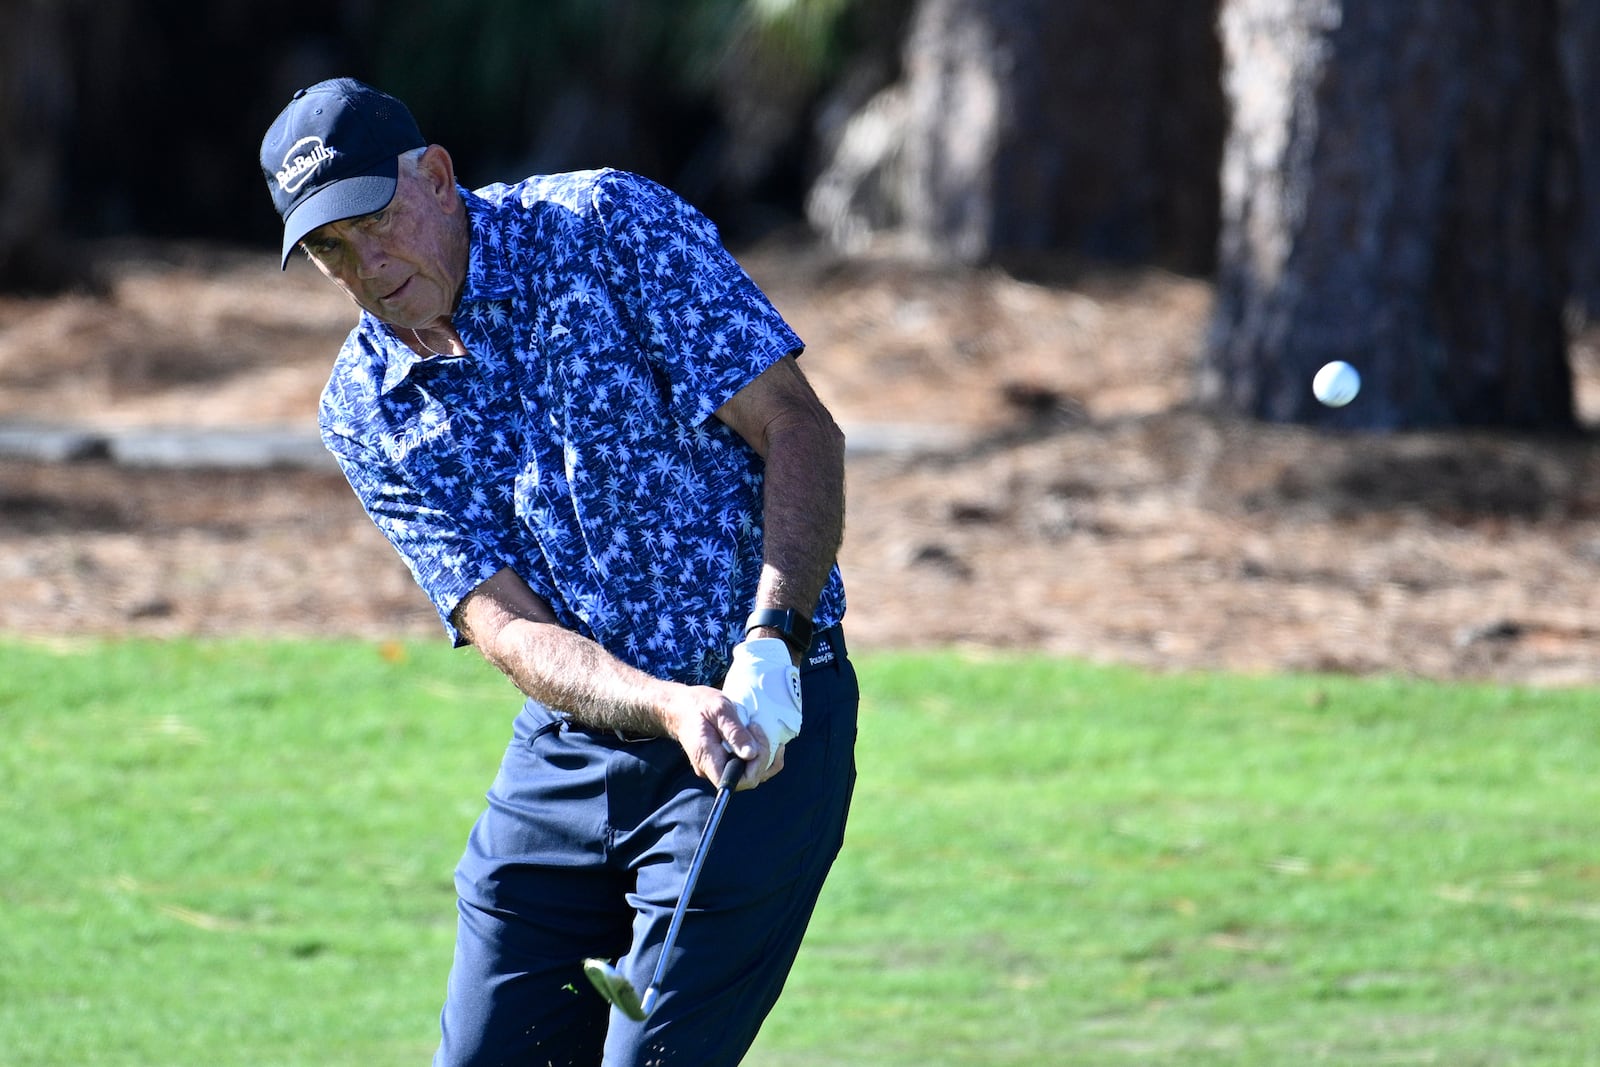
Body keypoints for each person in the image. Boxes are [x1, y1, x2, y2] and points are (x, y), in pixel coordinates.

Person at [258, 78, 858, 1066]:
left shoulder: (606, 227)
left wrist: (773, 640)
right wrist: (663, 705)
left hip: (764, 714)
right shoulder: (365, 404)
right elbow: (504, 623)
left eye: (373, 221)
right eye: (331, 251)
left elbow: (797, 427)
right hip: (574, 746)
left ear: (437, 178)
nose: (367, 266)